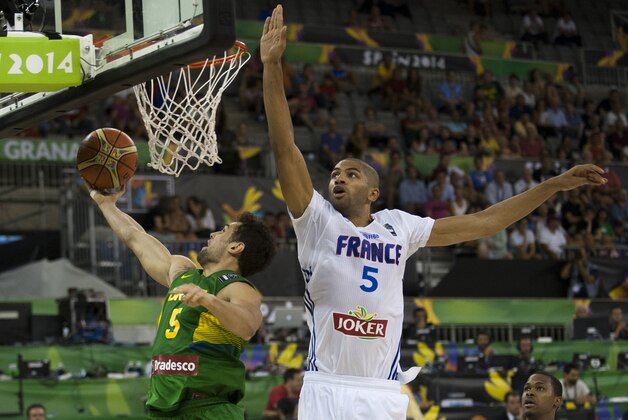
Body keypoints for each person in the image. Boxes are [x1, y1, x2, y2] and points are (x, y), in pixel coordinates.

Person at [260, 6, 607, 420]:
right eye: (334, 173)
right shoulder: (317, 220)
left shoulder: (399, 226)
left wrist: (553, 184)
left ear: (373, 191)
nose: (338, 178)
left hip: (384, 388)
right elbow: (285, 148)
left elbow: (485, 222)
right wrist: (271, 67)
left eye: (351, 174)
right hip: (328, 384)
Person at [86, 186, 276, 419]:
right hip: (164, 409)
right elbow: (136, 238)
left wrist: (209, 300)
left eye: (223, 231)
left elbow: (248, 325)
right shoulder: (182, 271)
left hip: (208, 409)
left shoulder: (237, 286)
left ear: (235, 247)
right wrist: (106, 204)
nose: (213, 234)